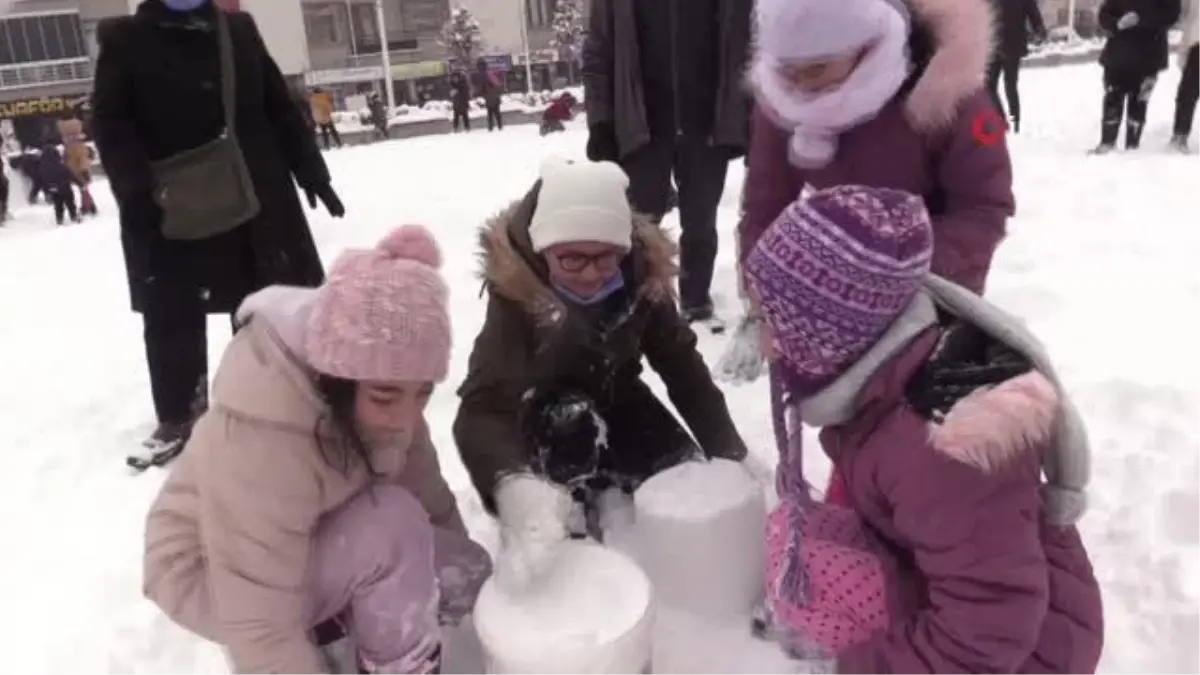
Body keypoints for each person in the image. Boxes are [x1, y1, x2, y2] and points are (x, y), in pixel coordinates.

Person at [745, 185, 1104, 674]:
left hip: (1030, 649)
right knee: (790, 535)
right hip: (978, 597)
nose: (763, 344)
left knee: (810, 574)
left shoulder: (941, 445)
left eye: (770, 322)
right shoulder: (886, 367)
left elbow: (988, 625)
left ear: (829, 332)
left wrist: (860, 670)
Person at [143, 225, 492, 675]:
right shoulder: (264, 439)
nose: (407, 417)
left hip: (296, 544)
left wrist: (472, 595)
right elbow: (259, 623)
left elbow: (431, 500)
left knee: (462, 565)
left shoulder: (384, 388)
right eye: (387, 396)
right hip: (210, 570)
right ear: (337, 378)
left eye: (423, 392)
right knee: (391, 526)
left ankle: (343, 625)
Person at [453, 157, 749, 586]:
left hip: (618, 394)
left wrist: (729, 451)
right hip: (545, 409)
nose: (592, 274)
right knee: (568, 431)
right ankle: (568, 515)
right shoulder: (518, 297)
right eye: (573, 260)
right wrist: (516, 491)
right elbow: (482, 407)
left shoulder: (640, 277)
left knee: (683, 476)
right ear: (542, 250)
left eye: (605, 259)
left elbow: (681, 366)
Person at [91, 0, 344, 463]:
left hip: (256, 197)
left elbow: (278, 108)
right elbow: (110, 125)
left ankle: (267, 399)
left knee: (265, 305)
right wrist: (136, 191)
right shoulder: (124, 40)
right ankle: (180, 416)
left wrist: (312, 173)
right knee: (173, 314)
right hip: (168, 206)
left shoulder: (238, 32)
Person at [581, 0, 753, 323]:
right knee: (640, 227)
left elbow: (748, 49)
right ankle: (640, 303)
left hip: (705, 128)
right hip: (643, 127)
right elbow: (597, 53)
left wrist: (751, 117)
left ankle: (696, 300)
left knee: (701, 224)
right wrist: (600, 122)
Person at [1093, 0, 1182, 153]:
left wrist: (1140, 20)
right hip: (1118, 53)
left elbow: (1171, 15)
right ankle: (1107, 142)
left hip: (1149, 54)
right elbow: (1105, 13)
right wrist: (1117, 24)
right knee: (1112, 98)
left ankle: (1132, 148)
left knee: (1139, 102)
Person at [987, 0, 1047, 133]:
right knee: (993, 86)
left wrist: (1039, 29)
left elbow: (1033, 13)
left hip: (1008, 44)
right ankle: (1005, 120)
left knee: (1008, 85)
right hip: (997, 44)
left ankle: (1013, 121)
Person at [1171, 0, 1200, 151]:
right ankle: (1180, 135)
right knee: (1187, 94)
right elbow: (1184, 14)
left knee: (1187, 94)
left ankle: (1180, 135)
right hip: (1197, 45)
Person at [37, 146, 81, 226]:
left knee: (58, 206)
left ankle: (59, 220)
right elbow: (70, 175)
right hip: (65, 188)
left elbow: (41, 181)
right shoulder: (60, 165)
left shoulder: (42, 168)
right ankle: (74, 216)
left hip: (53, 190)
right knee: (70, 203)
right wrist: (80, 183)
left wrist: (46, 191)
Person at [475, 57, 504, 131]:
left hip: (489, 96)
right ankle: (500, 126)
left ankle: (491, 127)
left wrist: (477, 94)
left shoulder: (483, 75)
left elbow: (482, 87)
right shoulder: (490, 74)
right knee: (496, 112)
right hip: (495, 95)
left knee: (490, 113)